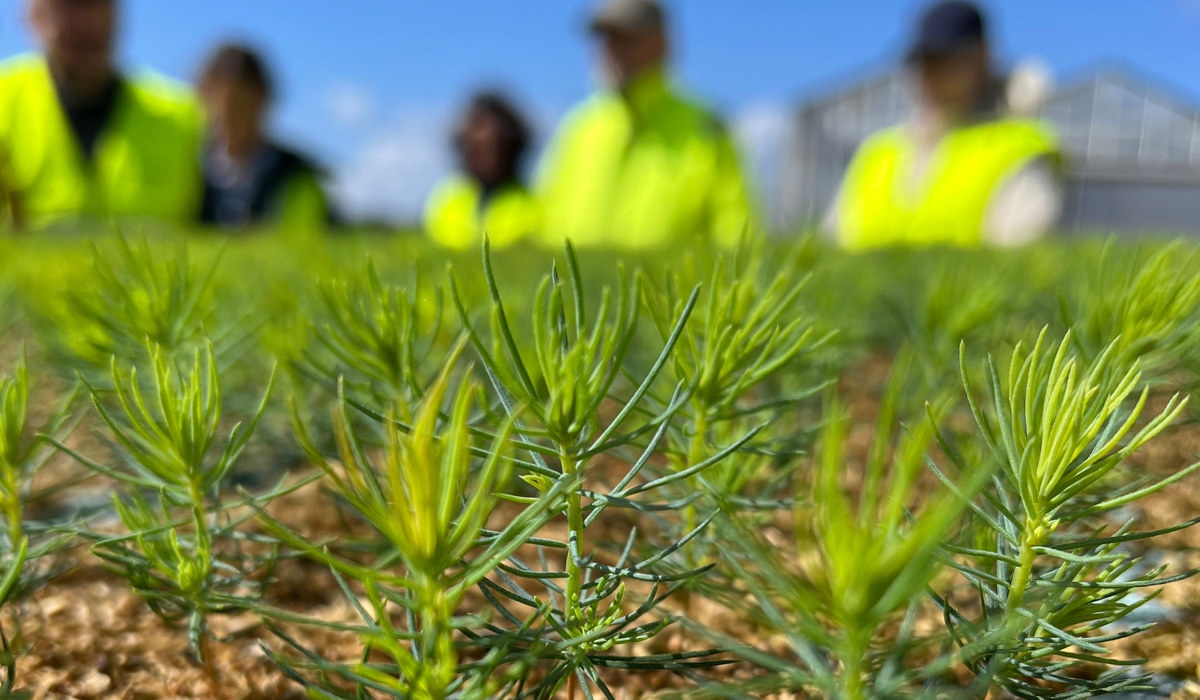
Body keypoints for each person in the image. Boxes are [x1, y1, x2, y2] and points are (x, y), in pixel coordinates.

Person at [829, 0, 1063, 250]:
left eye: (942, 60)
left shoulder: (1016, 147)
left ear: (980, 59)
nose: (928, 74)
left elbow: (1019, 256)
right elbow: (831, 243)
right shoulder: (878, 152)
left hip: (961, 289)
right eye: (922, 61)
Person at [537, 0, 754, 250]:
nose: (612, 50)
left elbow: (736, 233)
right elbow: (544, 219)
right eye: (606, 39)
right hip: (575, 287)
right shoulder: (578, 127)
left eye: (627, 38)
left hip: (669, 289)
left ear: (662, 44)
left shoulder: (707, 128)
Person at [0, 0, 203, 230]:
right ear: (33, 15)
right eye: (67, 4)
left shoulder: (183, 116)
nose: (85, 20)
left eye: (96, 3)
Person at [197, 43, 331, 235]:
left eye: (242, 106)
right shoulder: (189, 166)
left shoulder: (297, 172)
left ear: (264, 100)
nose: (233, 118)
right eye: (225, 107)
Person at [423, 91, 540, 250]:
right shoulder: (445, 201)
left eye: (495, 148)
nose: (486, 160)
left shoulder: (534, 207)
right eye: (476, 149)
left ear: (512, 147)